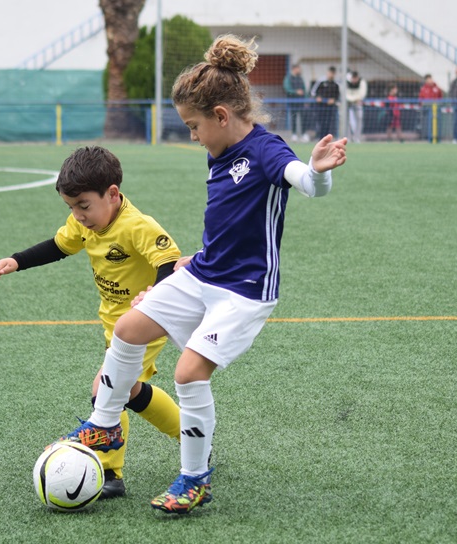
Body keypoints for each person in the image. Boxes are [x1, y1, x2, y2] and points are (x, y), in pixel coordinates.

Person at [66, 34, 347, 514]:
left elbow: (304, 180)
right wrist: (192, 261)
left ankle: (194, 479)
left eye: (194, 125)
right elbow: (227, 224)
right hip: (204, 272)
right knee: (129, 329)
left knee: (189, 371)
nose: (192, 135)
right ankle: (105, 422)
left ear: (221, 115)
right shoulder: (219, 152)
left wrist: (318, 172)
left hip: (243, 292)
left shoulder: (264, 150)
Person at [0, 146, 183, 499]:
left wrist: (153, 298)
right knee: (127, 391)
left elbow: (169, 260)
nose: (77, 215)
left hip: (145, 322)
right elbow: (59, 246)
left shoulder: (137, 225)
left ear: (112, 194)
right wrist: (17, 261)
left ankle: (109, 472)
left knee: (106, 390)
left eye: (83, 205)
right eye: (70, 207)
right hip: (113, 324)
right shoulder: (86, 224)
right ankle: (191, 434)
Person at [312, 66, 340, 139]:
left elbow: (337, 96)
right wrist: (317, 97)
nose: (331, 75)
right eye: (330, 73)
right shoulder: (321, 82)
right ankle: (320, 139)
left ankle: (326, 139)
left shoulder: (336, 84)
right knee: (320, 123)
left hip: (330, 108)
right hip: (320, 107)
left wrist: (333, 100)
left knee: (328, 124)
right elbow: (313, 92)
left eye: (332, 73)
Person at [283, 63, 308, 142]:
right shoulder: (288, 78)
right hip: (293, 102)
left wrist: (306, 99)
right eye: (298, 68)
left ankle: (304, 134)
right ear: (294, 69)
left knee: (303, 118)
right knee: (293, 118)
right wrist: (296, 92)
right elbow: (287, 89)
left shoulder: (300, 78)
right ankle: (294, 134)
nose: (299, 70)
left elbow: (304, 89)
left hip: (301, 102)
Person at [417, 74, 443, 143]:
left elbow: (440, 97)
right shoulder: (423, 89)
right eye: (428, 79)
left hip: (435, 110)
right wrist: (421, 103)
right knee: (427, 124)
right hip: (426, 110)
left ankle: (436, 137)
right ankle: (428, 137)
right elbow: (420, 98)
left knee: (436, 124)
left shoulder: (437, 88)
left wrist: (438, 103)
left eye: (430, 79)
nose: (430, 81)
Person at [345, 69, 367, 143]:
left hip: (358, 103)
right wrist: (352, 99)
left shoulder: (362, 82)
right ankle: (348, 137)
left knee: (359, 118)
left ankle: (357, 137)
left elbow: (362, 94)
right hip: (348, 103)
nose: (354, 80)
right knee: (346, 119)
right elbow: (346, 94)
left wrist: (356, 99)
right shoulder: (347, 82)